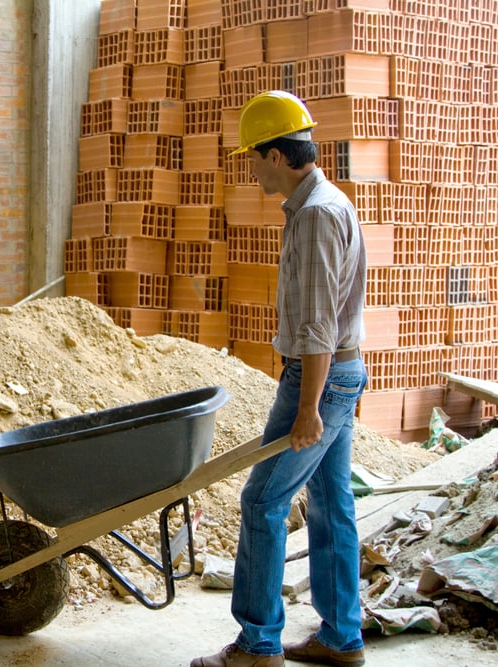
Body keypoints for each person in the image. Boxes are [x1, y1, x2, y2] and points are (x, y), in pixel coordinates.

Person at [192, 91, 368, 667]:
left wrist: (308, 407)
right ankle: (341, 637)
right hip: (339, 372)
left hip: (320, 378)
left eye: (252, 157)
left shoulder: (316, 214)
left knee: (263, 501)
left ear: (276, 154)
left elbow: (317, 326)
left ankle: (258, 643)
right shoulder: (324, 202)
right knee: (331, 503)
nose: (249, 168)